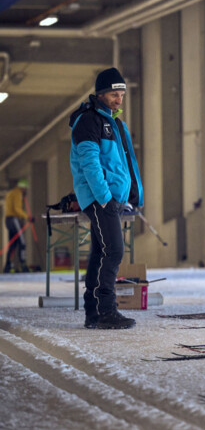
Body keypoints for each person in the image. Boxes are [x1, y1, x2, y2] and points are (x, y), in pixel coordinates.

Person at [69, 67, 144, 330]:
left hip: (112, 198)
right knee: (114, 251)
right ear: (100, 94)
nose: (119, 99)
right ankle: (106, 311)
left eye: (121, 94)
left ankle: (93, 313)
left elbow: (125, 164)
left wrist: (132, 195)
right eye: (114, 94)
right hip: (100, 198)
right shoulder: (88, 121)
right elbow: (89, 163)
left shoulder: (115, 123)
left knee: (101, 253)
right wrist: (104, 198)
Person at [4, 179, 32, 273]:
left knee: (13, 243)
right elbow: (17, 209)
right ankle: (23, 265)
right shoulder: (18, 193)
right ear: (23, 187)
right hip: (14, 219)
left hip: (8, 220)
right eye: (25, 188)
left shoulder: (11, 193)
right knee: (22, 242)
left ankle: (8, 265)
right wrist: (27, 217)